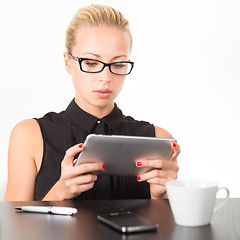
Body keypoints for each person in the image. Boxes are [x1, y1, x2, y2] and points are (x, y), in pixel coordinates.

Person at [5, 4, 180, 201]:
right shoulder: (30, 135)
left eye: (118, 64)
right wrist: (60, 192)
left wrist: (161, 196)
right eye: (91, 63)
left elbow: (170, 230)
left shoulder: (157, 139)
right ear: (67, 62)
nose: (105, 77)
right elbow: (13, 228)